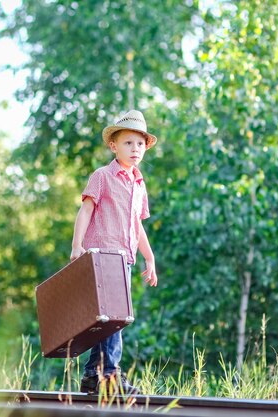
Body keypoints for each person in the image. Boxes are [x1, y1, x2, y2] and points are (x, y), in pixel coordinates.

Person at [70, 109, 158, 395]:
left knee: (107, 321)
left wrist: (149, 256)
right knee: (114, 318)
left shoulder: (138, 184)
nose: (135, 149)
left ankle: (92, 378)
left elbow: (137, 225)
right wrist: (76, 246)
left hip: (124, 260)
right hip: (102, 257)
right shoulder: (102, 177)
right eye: (128, 143)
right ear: (113, 146)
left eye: (140, 144)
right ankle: (110, 377)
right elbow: (85, 211)